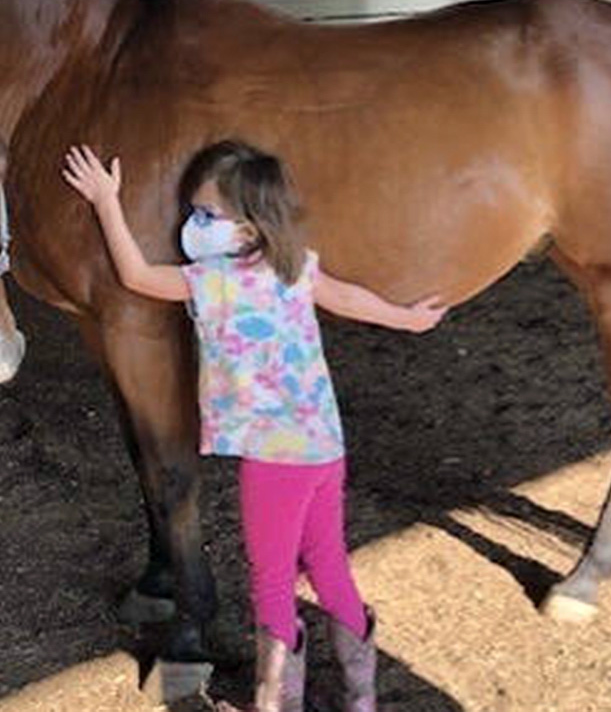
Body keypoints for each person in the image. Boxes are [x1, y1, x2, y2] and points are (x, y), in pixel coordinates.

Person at [63, 141, 447, 712]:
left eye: (206, 216)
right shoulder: (297, 266)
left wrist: (106, 201)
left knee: (271, 579)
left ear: (248, 227)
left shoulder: (215, 283)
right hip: (323, 445)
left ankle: (275, 701)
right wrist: (408, 321)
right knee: (328, 562)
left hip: (274, 457)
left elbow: (137, 275)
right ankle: (360, 699)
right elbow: (348, 298)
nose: (195, 226)